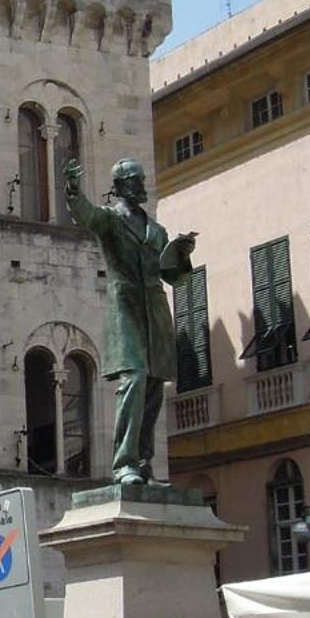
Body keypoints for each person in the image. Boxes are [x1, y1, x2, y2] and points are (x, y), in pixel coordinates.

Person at [62, 156, 197, 487]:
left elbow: (172, 276)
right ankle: (124, 463)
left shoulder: (157, 230)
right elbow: (86, 215)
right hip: (125, 307)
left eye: (142, 179)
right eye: (135, 181)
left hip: (155, 311)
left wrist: (182, 253)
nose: (142, 185)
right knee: (134, 379)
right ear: (121, 186)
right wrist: (73, 189)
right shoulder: (110, 220)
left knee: (153, 386)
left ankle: (144, 463)